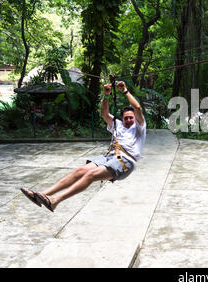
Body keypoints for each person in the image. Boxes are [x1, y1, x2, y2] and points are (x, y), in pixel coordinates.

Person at [20, 80, 146, 212]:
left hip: (125, 161)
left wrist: (124, 91)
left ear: (135, 118)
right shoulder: (118, 124)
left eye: (131, 118)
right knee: (80, 171)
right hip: (110, 156)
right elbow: (104, 113)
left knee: (91, 174)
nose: (128, 120)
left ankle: (56, 200)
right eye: (126, 118)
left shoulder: (139, 127)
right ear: (122, 118)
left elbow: (137, 108)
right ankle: (42, 195)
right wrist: (106, 95)